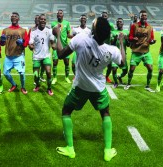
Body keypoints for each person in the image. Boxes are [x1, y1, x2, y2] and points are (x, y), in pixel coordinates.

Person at [54, 17, 125, 162]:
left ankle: (70, 148)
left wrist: (57, 35)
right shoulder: (112, 50)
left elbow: (60, 54)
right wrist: (122, 42)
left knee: (66, 111)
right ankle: (107, 151)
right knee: (105, 113)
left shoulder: (81, 39)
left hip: (80, 86)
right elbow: (123, 64)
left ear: (93, 30)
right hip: (98, 88)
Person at [125, 10, 156, 92]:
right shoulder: (134, 26)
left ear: (146, 17)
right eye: (142, 15)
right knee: (131, 69)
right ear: (139, 17)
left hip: (146, 52)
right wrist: (133, 39)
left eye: (145, 15)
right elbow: (130, 37)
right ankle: (128, 83)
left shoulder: (150, 27)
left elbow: (152, 38)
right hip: (136, 51)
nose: (144, 17)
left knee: (150, 69)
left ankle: (147, 86)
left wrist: (152, 41)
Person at [0, 12, 29, 94]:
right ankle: (14, 84)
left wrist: (22, 43)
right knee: (5, 73)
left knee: (22, 74)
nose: (13, 17)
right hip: (8, 56)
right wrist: (1, 41)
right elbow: (2, 44)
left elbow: (26, 43)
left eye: (15, 16)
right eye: (12, 16)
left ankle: (23, 87)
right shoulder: (5, 30)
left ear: (18, 18)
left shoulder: (23, 31)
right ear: (11, 19)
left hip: (19, 56)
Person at [29, 14, 55, 96]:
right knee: (36, 75)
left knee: (48, 72)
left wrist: (54, 45)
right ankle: (37, 85)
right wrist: (31, 46)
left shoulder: (49, 31)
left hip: (46, 56)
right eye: (41, 19)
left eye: (44, 19)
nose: (43, 20)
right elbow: (31, 43)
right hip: (36, 56)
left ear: (46, 21)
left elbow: (52, 42)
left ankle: (49, 88)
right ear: (38, 21)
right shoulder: (33, 32)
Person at [51, 9, 73, 84]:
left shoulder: (67, 23)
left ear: (63, 15)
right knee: (54, 62)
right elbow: (52, 34)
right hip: (56, 46)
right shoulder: (53, 23)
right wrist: (52, 43)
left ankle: (66, 77)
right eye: (58, 13)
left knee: (66, 62)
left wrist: (74, 36)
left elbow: (68, 34)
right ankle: (54, 78)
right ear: (57, 15)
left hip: (65, 46)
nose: (59, 14)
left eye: (60, 13)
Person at [110, 18, 129, 88]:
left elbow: (128, 45)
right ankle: (115, 82)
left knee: (125, 71)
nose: (119, 23)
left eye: (120, 22)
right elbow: (111, 44)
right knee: (114, 69)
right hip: (115, 54)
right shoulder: (113, 32)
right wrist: (115, 38)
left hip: (123, 54)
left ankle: (119, 77)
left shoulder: (127, 32)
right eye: (117, 22)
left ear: (123, 23)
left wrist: (127, 39)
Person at [28, 15, 46, 82]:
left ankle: (41, 76)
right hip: (36, 51)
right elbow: (28, 39)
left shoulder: (45, 28)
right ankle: (35, 79)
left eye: (38, 19)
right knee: (35, 66)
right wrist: (30, 46)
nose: (36, 20)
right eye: (35, 19)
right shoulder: (32, 29)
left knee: (43, 65)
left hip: (44, 51)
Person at [101, 11, 115, 83]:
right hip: (99, 47)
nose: (104, 17)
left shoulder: (111, 25)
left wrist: (112, 34)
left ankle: (106, 77)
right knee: (98, 63)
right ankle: (98, 76)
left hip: (108, 48)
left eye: (105, 16)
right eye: (103, 16)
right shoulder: (98, 24)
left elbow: (114, 32)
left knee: (109, 65)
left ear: (107, 17)